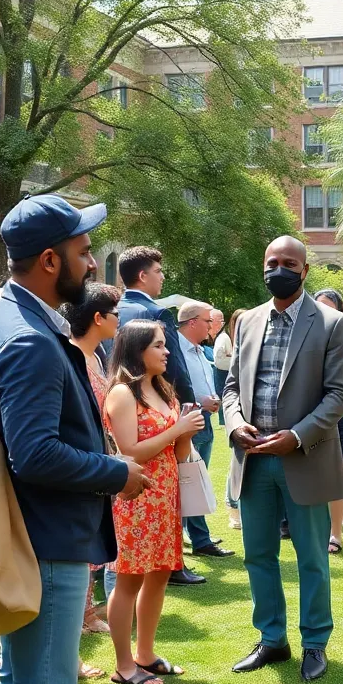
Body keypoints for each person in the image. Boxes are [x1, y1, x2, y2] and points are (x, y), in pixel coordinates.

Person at [0, 196, 149, 684]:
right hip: (45, 541)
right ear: (50, 260)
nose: (92, 264)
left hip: (30, 535)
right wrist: (117, 471)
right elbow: (36, 454)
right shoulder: (26, 336)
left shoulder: (5, 317)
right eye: (83, 251)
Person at [223, 236, 343, 682]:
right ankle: (272, 640)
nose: (279, 269)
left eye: (288, 263)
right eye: (272, 262)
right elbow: (232, 388)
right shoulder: (249, 321)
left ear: (304, 271)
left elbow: (340, 394)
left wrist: (296, 437)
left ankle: (315, 643)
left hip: (305, 458)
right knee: (258, 555)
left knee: (312, 557)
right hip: (253, 458)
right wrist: (235, 422)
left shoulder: (332, 323)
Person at [104, 320, 205, 684]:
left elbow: (176, 453)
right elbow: (129, 451)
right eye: (159, 346)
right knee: (129, 579)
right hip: (136, 495)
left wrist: (187, 432)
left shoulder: (163, 390)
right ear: (137, 350)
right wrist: (176, 429)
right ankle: (123, 664)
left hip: (165, 495)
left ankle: (145, 653)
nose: (166, 352)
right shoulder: (122, 394)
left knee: (160, 574)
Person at [116, 246, 206, 586]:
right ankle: (175, 561)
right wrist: (186, 410)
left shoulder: (114, 310)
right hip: (159, 409)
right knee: (183, 477)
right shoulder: (155, 313)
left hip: (127, 409)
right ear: (143, 275)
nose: (162, 276)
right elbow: (175, 367)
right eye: (158, 271)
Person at [63, 282, 124, 684]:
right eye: (114, 313)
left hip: (96, 467)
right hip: (80, 473)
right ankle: (67, 670)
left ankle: (81, 634)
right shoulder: (71, 358)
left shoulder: (94, 356)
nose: (119, 321)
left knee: (84, 562)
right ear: (98, 319)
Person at [176, 300, 234, 558]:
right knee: (190, 482)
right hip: (188, 424)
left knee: (196, 480)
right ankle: (199, 540)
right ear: (192, 323)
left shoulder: (200, 351)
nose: (212, 326)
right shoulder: (175, 351)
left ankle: (194, 535)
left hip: (204, 421)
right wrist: (201, 403)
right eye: (208, 321)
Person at [313, 288, 343, 554]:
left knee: (335, 473)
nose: (324, 312)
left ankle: (335, 532)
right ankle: (315, 528)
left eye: (329, 306)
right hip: (308, 409)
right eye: (319, 306)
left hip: (337, 410)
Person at [216, 307, 247, 528]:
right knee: (236, 461)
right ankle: (233, 509)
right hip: (238, 410)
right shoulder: (227, 340)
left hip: (248, 409)